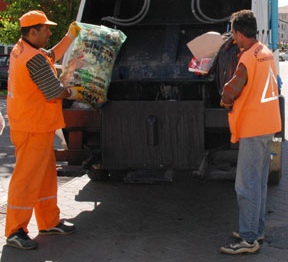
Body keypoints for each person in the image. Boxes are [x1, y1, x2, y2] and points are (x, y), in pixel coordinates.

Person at [5, 10, 83, 250]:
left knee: (46, 177)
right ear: (32, 32)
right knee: (26, 180)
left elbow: (51, 55)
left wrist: (70, 37)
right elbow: (54, 91)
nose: (50, 32)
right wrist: (75, 92)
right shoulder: (33, 59)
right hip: (32, 127)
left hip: (34, 126)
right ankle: (15, 230)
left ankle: (49, 222)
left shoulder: (25, 50)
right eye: (46, 29)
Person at [219, 10, 281, 255]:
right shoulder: (265, 52)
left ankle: (247, 239)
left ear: (239, 33)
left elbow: (231, 90)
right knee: (259, 183)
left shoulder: (247, 58)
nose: (233, 38)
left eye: (233, 33)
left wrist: (224, 100)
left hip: (253, 127)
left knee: (246, 185)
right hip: (268, 124)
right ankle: (257, 230)